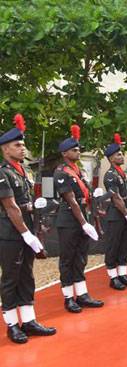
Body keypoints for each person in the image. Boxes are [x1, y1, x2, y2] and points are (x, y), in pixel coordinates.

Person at [0, 114, 56, 343]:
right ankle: (12, 324)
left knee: (26, 277)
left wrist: (36, 208)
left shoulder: (25, 171)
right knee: (11, 278)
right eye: (17, 145)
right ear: (5, 149)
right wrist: (26, 234)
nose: (22, 148)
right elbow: (11, 207)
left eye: (23, 144)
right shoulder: (2, 173)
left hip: (27, 230)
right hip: (11, 234)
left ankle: (29, 320)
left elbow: (25, 202)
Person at [54, 125, 104, 313]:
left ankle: (81, 294)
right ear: (65, 153)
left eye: (78, 149)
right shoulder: (61, 172)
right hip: (69, 221)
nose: (78, 151)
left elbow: (85, 195)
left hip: (82, 217)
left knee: (81, 257)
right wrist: (84, 223)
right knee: (68, 258)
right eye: (74, 150)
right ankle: (68, 297)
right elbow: (71, 200)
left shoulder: (77, 170)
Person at [103, 134, 127, 290]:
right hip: (116, 215)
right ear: (111, 158)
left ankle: (123, 274)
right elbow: (116, 198)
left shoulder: (123, 175)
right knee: (114, 246)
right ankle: (113, 277)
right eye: (118, 154)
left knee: (125, 245)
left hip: (126, 213)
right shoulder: (110, 175)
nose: (121, 156)